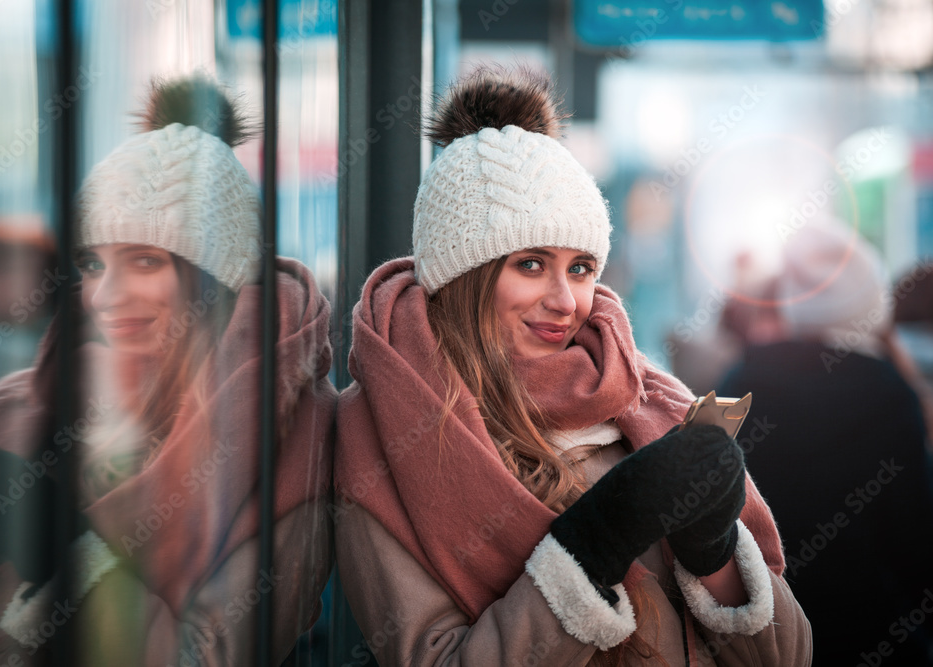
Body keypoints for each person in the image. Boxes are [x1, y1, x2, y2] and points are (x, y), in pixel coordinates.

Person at [334, 66, 812, 666]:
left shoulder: (643, 398)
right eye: (531, 264)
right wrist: (592, 544)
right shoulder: (384, 427)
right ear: (463, 277)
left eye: (581, 267)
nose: (566, 301)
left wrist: (711, 549)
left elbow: (788, 656)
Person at [0, 75, 335, 666]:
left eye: (146, 261)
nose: (106, 296)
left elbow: (208, 655)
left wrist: (67, 552)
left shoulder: (284, 424)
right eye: (95, 264)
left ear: (215, 278)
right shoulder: (11, 409)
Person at [719, 219, 933, 666]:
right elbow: (915, 541)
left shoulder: (739, 384)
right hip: (876, 634)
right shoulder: (888, 391)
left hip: (768, 641)